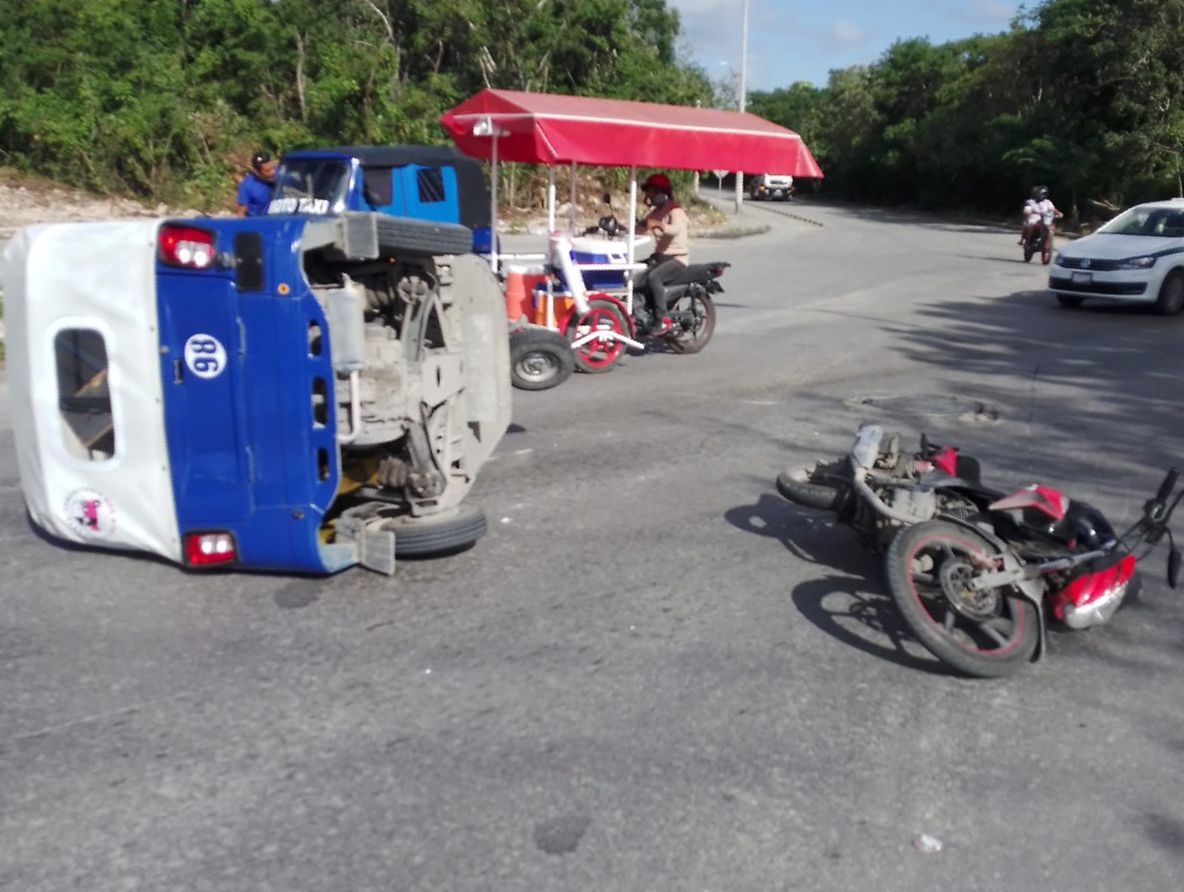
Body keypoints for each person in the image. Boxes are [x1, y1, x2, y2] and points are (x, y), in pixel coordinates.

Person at [633, 173, 689, 334]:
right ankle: (642, 310)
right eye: (648, 192)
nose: (648, 195)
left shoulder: (675, 211)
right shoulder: (655, 212)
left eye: (651, 191)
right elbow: (641, 229)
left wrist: (659, 225)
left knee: (654, 277)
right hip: (660, 257)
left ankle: (662, 319)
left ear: (662, 192)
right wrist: (626, 229)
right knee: (636, 271)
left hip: (677, 258)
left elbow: (676, 230)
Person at [236, 151, 276, 217]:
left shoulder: (280, 174)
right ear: (257, 172)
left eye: (273, 168)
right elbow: (241, 214)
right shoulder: (247, 186)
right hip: (258, 223)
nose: (273, 172)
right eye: (268, 171)